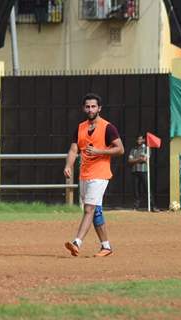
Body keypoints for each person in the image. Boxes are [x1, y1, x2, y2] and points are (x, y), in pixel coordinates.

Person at [63, 93, 124, 257]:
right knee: (96, 210)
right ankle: (106, 246)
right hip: (85, 174)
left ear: (99, 108)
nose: (91, 109)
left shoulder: (108, 127)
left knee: (88, 209)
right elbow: (73, 149)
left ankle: (77, 242)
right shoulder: (80, 127)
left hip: (100, 174)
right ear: (84, 108)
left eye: (93, 106)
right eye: (88, 106)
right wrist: (68, 166)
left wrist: (100, 151)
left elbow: (120, 149)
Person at [127, 134, 158, 211]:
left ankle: (153, 206)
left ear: (144, 140)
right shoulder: (133, 149)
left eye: (140, 139)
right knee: (136, 190)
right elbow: (129, 161)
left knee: (148, 189)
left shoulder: (146, 148)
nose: (139, 141)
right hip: (135, 171)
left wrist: (136, 159)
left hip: (144, 171)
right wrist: (139, 159)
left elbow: (145, 159)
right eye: (138, 139)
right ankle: (136, 206)